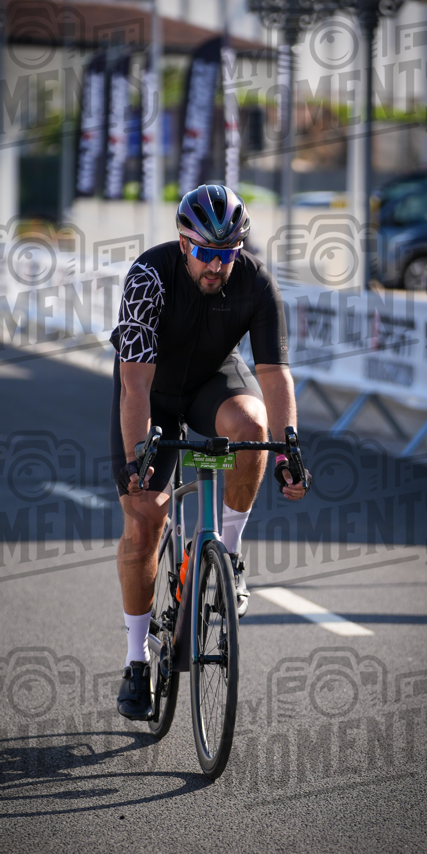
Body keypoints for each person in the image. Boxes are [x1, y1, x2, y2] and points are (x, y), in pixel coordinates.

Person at [109, 183, 310, 721]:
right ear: (182, 243)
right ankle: (135, 660)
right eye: (206, 253)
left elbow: (274, 373)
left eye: (227, 254)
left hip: (210, 384)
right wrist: (137, 457)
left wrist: (289, 449)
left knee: (253, 425)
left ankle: (231, 555)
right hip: (150, 392)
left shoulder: (256, 282)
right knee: (146, 517)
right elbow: (133, 387)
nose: (217, 266)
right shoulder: (149, 278)